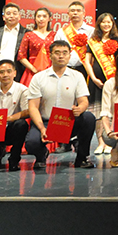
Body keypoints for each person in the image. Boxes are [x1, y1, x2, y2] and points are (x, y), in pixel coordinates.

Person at [25, 40, 96, 169]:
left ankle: (82, 157)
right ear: (50, 55)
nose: (61, 56)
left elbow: (84, 101)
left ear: (69, 55)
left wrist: (80, 108)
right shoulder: (39, 78)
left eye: (65, 53)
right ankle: (41, 155)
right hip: (46, 122)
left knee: (88, 118)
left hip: (68, 121)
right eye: (57, 53)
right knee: (31, 143)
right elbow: (33, 107)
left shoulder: (77, 76)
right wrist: (42, 128)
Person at [83, 12, 118, 155]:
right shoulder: (93, 41)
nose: (106, 24)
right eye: (103, 22)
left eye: (109, 22)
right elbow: (87, 61)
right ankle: (100, 142)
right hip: (96, 82)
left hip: (112, 81)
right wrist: (93, 78)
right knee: (98, 113)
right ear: (99, 24)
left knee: (110, 112)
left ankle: (110, 141)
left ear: (113, 24)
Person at [0, 2, 27, 83]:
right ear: (3, 17)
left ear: (19, 16)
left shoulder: (27, 33)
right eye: (8, 13)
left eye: (14, 13)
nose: (11, 16)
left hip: (18, 74)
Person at [53, 0, 95, 73]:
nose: (75, 13)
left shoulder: (92, 31)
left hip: (85, 68)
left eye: (78, 11)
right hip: (65, 68)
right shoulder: (61, 31)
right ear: (68, 14)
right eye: (72, 11)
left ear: (84, 13)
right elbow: (55, 50)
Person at [17, 6, 55, 86]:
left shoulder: (54, 35)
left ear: (49, 19)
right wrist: (33, 69)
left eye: (44, 16)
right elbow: (21, 56)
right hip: (32, 70)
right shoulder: (29, 35)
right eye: (38, 16)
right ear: (35, 18)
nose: (41, 19)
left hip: (51, 69)